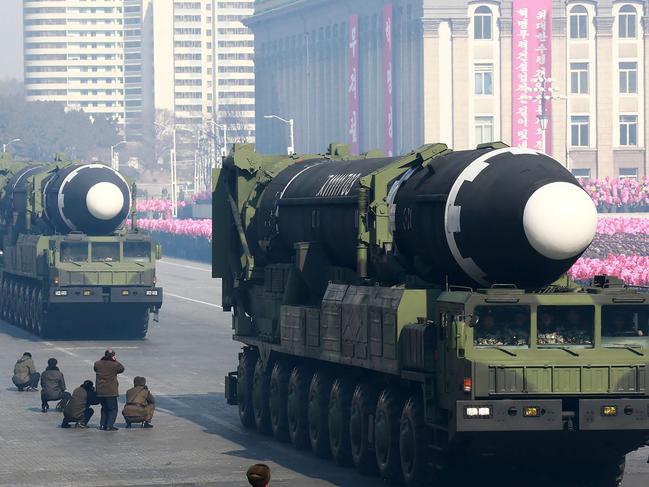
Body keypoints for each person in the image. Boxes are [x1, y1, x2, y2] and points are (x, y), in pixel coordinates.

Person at [94, 349, 125, 431]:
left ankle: (102, 425)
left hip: (100, 391)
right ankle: (109, 426)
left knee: (104, 408)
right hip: (110, 391)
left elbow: (95, 369)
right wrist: (115, 360)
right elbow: (122, 369)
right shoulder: (114, 365)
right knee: (113, 409)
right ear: (113, 356)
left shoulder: (97, 364)